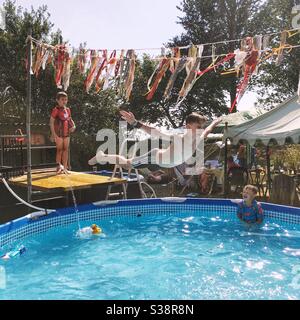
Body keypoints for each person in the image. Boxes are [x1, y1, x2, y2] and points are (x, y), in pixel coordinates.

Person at [88, 111, 222, 170]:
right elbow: (156, 132)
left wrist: (216, 121)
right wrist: (136, 123)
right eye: (198, 127)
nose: (200, 130)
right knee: (128, 164)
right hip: (155, 158)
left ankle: (103, 156)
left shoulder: (199, 137)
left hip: (167, 163)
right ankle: (102, 156)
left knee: (130, 164)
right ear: (187, 126)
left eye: (201, 127)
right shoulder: (178, 138)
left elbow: (208, 129)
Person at [50, 92, 76, 174]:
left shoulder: (68, 110)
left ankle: (65, 168)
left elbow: (70, 119)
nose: (64, 101)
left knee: (66, 150)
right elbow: (51, 122)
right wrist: (53, 134)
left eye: (65, 100)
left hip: (67, 133)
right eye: (62, 100)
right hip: (58, 134)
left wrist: (74, 126)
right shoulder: (55, 110)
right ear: (57, 100)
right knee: (59, 150)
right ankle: (58, 167)